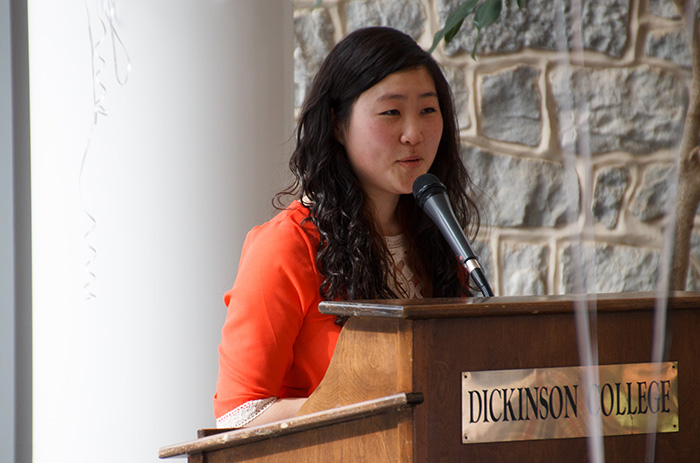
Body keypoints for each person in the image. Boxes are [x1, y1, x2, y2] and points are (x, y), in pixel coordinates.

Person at [213, 26, 483, 428]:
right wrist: (368, 403)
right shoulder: (289, 245)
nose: (414, 133)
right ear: (338, 125)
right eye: (392, 112)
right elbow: (238, 415)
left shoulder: (436, 234)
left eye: (428, 110)